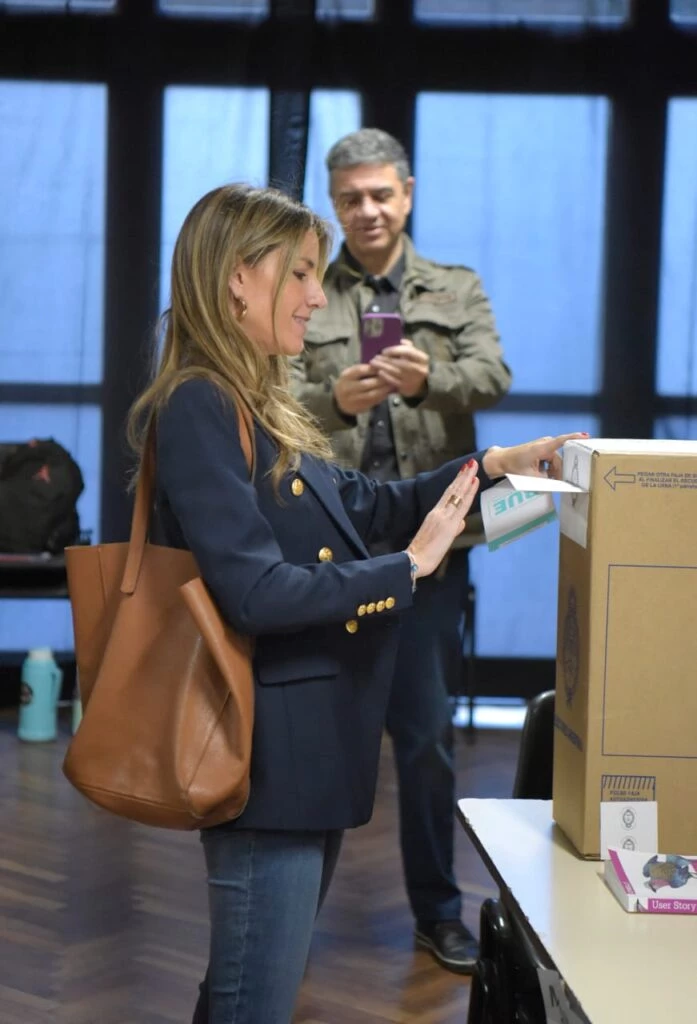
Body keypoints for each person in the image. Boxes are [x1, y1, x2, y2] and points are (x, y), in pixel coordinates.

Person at [127, 181, 583, 1023]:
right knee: (248, 1000)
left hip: (304, 756)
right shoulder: (200, 402)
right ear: (236, 278)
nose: (315, 295)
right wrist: (403, 572)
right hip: (267, 762)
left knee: (241, 989)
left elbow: (368, 508)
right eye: (299, 274)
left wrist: (489, 468)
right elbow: (256, 592)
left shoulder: (252, 401)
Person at [289, 128, 512, 973]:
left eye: (381, 194)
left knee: (422, 739)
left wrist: (432, 380)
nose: (368, 210)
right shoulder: (306, 287)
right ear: (333, 202)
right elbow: (271, 394)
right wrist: (329, 396)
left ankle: (438, 912)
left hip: (435, 542)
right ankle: (288, 917)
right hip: (331, 545)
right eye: (350, 198)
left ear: (407, 194)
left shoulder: (453, 287)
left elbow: (492, 374)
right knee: (312, 733)